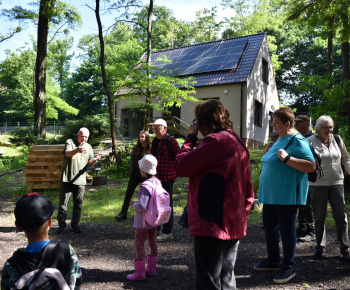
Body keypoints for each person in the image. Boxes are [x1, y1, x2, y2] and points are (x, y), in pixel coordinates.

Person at [174, 99, 255, 290]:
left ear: (201, 121)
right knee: (227, 279)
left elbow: (179, 167)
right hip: (233, 221)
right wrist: (243, 213)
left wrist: (190, 138)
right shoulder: (236, 140)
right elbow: (248, 187)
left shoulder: (215, 141)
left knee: (209, 282)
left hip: (211, 224)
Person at [254, 107, 315, 284]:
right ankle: (274, 260)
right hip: (271, 194)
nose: (273, 126)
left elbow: (311, 166)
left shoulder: (297, 140)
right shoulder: (279, 139)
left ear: (287, 123)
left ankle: (289, 265)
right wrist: (267, 153)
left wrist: (288, 159)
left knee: (286, 230)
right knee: (270, 228)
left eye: (276, 123)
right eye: (272, 122)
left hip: (287, 194)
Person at [1, 193, 82, 289]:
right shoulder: (67, 251)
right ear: (50, 221)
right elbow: (76, 284)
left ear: (18, 226)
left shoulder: (12, 265)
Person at [307, 115, 350, 261]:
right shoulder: (309, 141)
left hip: (337, 183)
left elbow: (346, 158)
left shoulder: (337, 140)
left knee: (341, 217)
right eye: (326, 127)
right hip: (318, 185)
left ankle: (345, 248)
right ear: (319, 128)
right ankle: (320, 247)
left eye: (331, 127)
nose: (330, 130)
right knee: (319, 217)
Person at [57, 127, 101, 233]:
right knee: (63, 203)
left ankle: (75, 224)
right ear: (77, 134)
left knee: (78, 204)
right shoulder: (70, 142)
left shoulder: (89, 147)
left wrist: (94, 160)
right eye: (82, 136)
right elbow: (67, 153)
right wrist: (78, 150)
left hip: (80, 180)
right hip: (67, 178)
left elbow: (89, 162)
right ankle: (61, 225)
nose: (84, 138)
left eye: (86, 137)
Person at [127, 154, 161, 281]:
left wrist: (132, 204)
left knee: (139, 243)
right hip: (154, 219)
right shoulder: (157, 182)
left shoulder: (145, 186)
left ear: (143, 170)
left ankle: (140, 273)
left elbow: (142, 205)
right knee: (153, 242)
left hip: (143, 221)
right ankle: (151, 269)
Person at [150, 119, 180, 242]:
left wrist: (175, 174)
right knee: (154, 203)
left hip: (167, 178)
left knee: (167, 204)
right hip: (155, 178)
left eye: (157, 127)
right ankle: (155, 230)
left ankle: (167, 231)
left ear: (165, 128)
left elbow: (179, 158)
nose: (155, 129)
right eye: (154, 128)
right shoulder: (155, 141)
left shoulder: (171, 141)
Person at [115, 130, 151, 221]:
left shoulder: (150, 149)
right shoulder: (136, 148)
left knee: (144, 194)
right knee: (129, 192)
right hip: (135, 172)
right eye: (140, 137)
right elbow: (133, 161)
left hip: (145, 174)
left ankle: (145, 214)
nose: (141, 139)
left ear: (147, 137)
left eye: (143, 137)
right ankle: (123, 213)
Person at [295, 115, 315, 242]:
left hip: (311, 177)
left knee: (308, 204)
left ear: (306, 124)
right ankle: (302, 227)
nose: (297, 126)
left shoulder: (313, 138)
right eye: (296, 124)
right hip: (299, 175)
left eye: (300, 123)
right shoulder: (297, 138)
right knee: (301, 203)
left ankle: (311, 230)